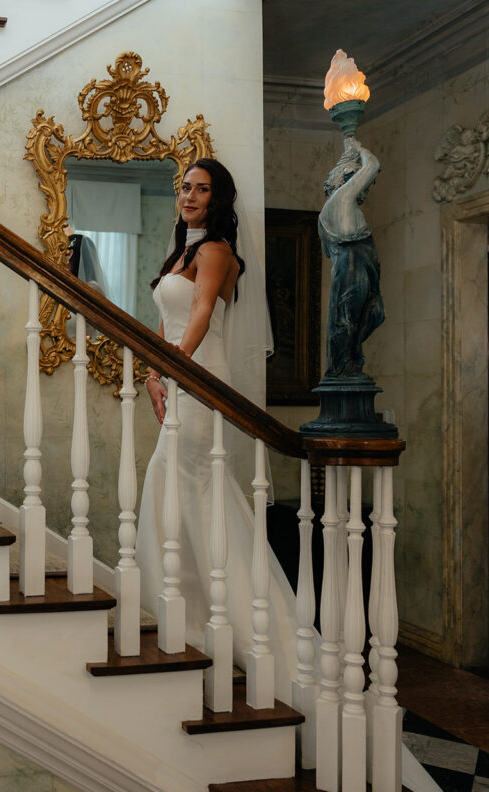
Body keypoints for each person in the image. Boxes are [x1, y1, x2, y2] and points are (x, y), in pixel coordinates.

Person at [135, 159, 302, 704]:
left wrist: (178, 370)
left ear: (218, 200)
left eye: (201, 190)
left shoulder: (215, 252)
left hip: (206, 381)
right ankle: (190, 618)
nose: (188, 196)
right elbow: (168, 319)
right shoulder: (181, 251)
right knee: (180, 491)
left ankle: (233, 626)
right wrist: (153, 373)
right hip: (182, 374)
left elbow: (203, 312)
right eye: (185, 186)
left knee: (192, 490)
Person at [318, 136, 384, 377]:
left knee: (350, 321)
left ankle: (346, 365)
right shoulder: (342, 200)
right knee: (348, 321)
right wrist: (358, 148)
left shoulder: (333, 211)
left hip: (352, 270)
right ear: (345, 179)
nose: (366, 187)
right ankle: (345, 368)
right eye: (361, 182)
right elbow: (372, 165)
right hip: (352, 270)